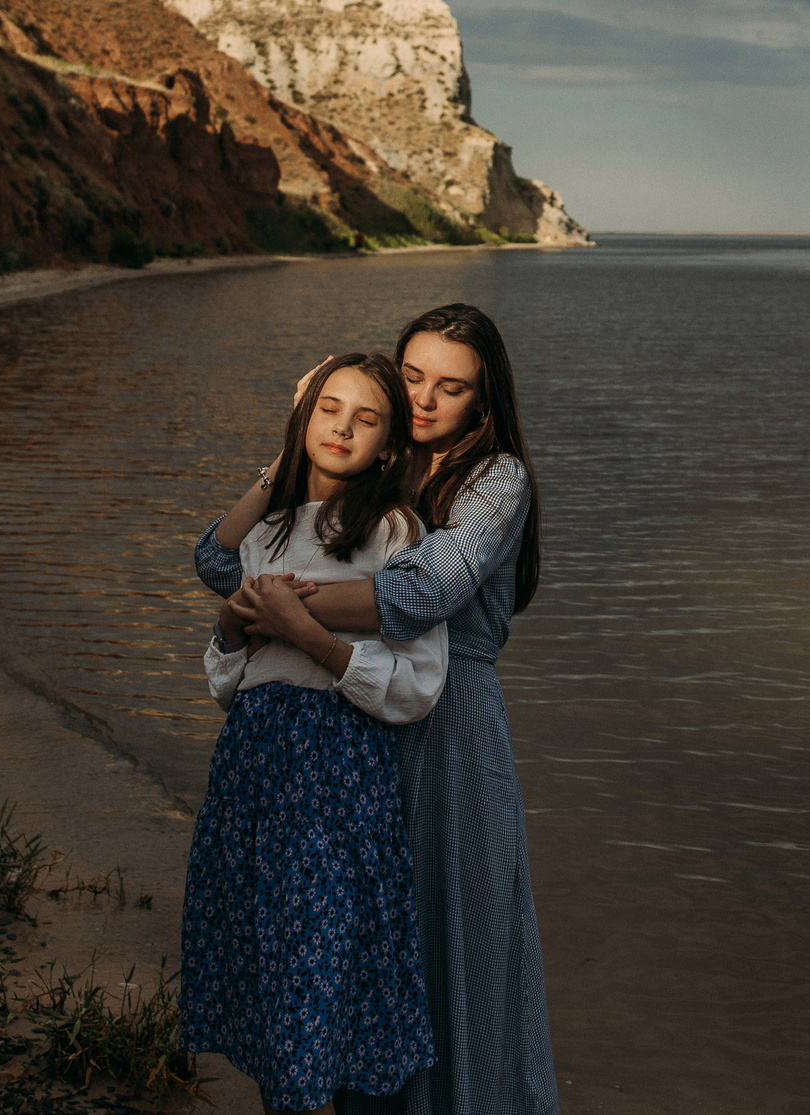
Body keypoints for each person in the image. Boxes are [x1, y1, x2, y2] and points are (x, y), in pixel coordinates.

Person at [199, 305, 560, 1115]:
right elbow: (221, 561)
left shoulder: (497, 477)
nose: (426, 399)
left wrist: (289, 609)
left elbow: (421, 590)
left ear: (484, 401)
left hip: (454, 725)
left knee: (461, 941)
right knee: (365, 962)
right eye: (413, 376)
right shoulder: (381, 465)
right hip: (356, 735)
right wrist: (300, 435)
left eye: (452, 387)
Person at [181, 354, 442, 1115]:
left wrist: (311, 633)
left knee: (314, 994)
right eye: (328, 407)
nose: (342, 426)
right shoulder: (264, 532)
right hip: (251, 777)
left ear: (390, 448)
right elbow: (226, 649)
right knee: (269, 999)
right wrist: (232, 627)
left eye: (367, 417)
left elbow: (418, 685)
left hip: (335, 780)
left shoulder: (396, 532)